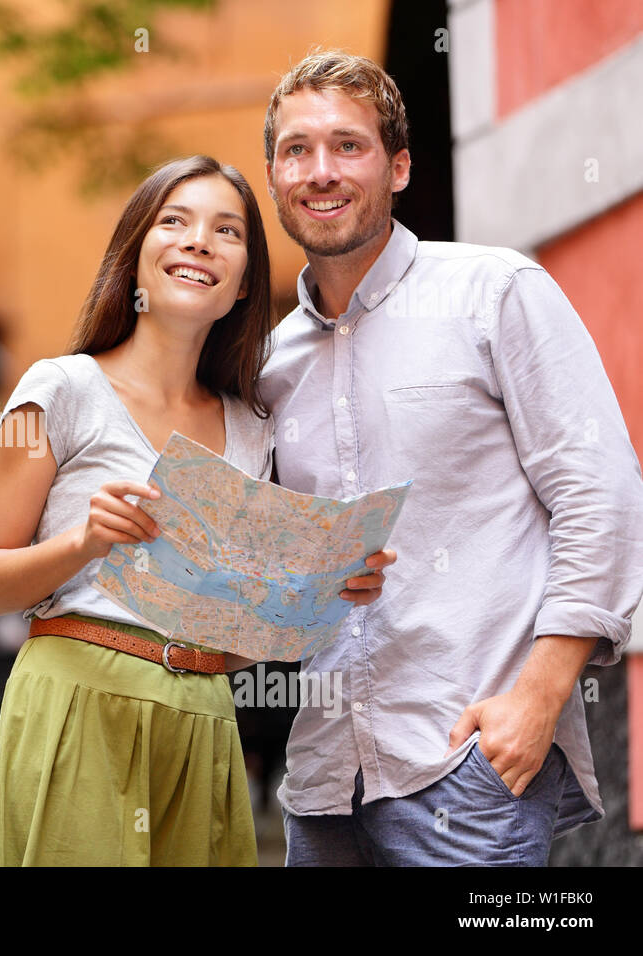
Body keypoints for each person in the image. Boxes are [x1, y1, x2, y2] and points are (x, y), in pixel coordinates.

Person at [257, 50, 643, 866]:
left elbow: (601, 492)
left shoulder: (494, 291)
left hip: (464, 766)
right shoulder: (270, 362)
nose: (320, 171)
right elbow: (275, 573)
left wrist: (536, 700)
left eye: (347, 145)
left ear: (398, 166)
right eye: (297, 150)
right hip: (325, 783)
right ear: (274, 175)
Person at [0, 154, 395, 866]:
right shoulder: (61, 388)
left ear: (244, 281)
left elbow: (230, 639)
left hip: (203, 715)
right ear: (134, 257)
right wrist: (83, 543)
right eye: (175, 221)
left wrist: (324, 597)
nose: (199, 241)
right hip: (79, 702)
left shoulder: (254, 424)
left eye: (227, 231)